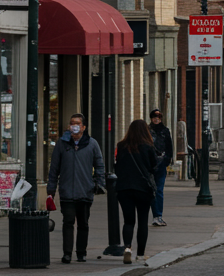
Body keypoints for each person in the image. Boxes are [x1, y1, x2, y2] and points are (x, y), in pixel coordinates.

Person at [46, 113, 104, 264]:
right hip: (67, 191)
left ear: (83, 127)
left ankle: (81, 252)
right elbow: (54, 168)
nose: (74, 126)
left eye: (77, 123)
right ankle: (67, 253)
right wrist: (51, 189)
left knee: (83, 223)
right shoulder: (62, 144)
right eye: (72, 123)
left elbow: (99, 165)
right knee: (68, 222)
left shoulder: (92, 144)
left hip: (85, 191)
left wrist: (98, 183)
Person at [114, 119, 158, 264]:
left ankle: (127, 248)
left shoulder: (121, 146)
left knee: (128, 221)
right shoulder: (148, 147)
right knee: (143, 221)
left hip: (124, 188)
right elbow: (153, 167)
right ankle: (140, 254)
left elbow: (117, 167)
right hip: (143, 188)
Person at [148, 109, 173, 227]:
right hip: (150, 165)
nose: (156, 118)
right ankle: (155, 216)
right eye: (154, 117)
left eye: (158, 116)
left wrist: (166, 161)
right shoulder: (147, 131)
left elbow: (169, 148)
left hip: (161, 164)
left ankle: (158, 215)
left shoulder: (165, 131)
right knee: (152, 191)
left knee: (159, 190)